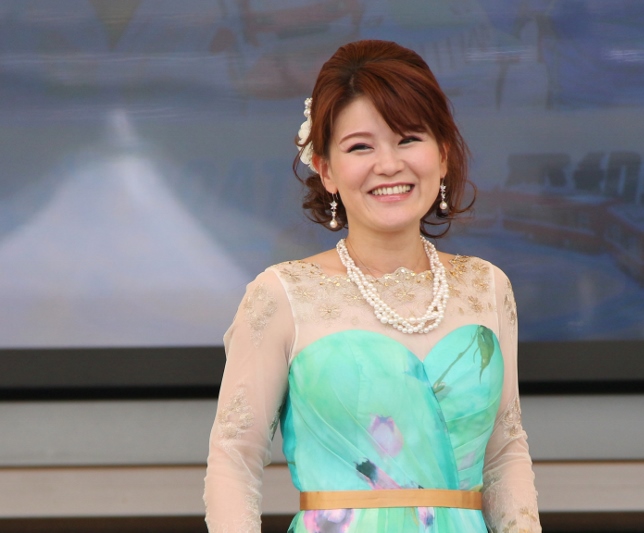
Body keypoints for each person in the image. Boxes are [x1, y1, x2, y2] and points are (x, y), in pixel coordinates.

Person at [204, 40, 541, 533]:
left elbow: (504, 453)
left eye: (408, 139)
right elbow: (235, 455)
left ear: (443, 155)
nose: (388, 165)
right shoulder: (282, 295)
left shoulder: (486, 286)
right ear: (326, 169)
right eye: (361, 146)